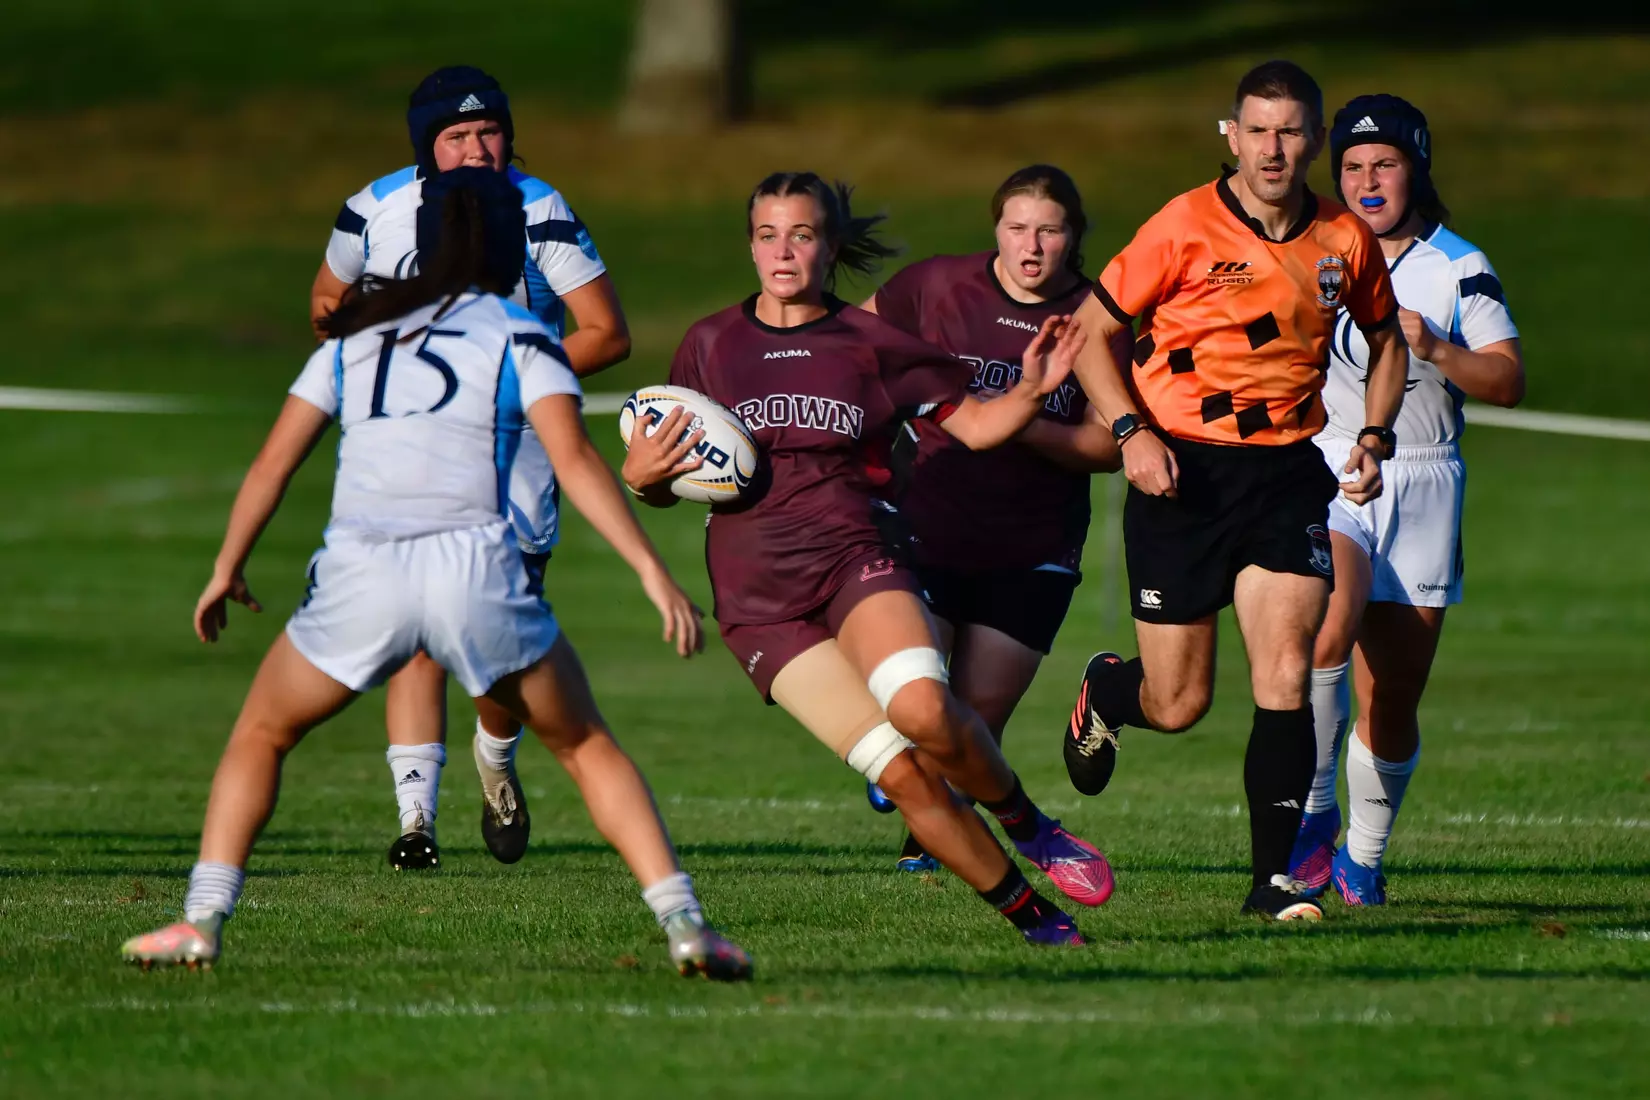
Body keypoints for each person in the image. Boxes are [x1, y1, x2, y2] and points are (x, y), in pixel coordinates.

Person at [121, 168, 751, 980]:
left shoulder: (357, 336)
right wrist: (650, 571)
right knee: (585, 743)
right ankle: (687, 927)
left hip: (362, 569)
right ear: (509, 245)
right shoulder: (523, 335)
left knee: (263, 732)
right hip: (474, 571)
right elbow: (576, 458)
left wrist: (225, 567)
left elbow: (275, 461)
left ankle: (202, 918)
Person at [622, 171, 1115, 946]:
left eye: (803, 235)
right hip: (759, 604)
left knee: (922, 707)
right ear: (750, 245)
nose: (784, 252)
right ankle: (1037, 923)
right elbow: (673, 480)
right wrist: (642, 481)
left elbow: (979, 428)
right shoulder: (709, 344)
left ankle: (1029, 823)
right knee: (903, 774)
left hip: (857, 559)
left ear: (831, 246)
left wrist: (1030, 391)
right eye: (767, 235)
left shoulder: (873, 342)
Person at [1058, 61, 1410, 920]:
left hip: (1287, 475)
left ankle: (1273, 882)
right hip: (1181, 472)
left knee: (1288, 669)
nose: (1274, 148)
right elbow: (1088, 337)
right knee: (1179, 704)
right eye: (1257, 130)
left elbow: (1388, 340)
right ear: (1232, 136)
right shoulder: (1181, 226)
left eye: (1291, 131)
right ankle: (1109, 691)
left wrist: (1372, 433)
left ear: (1315, 140)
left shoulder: (1342, 240)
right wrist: (1131, 433)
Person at [311, 65, 633, 871]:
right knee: (415, 633)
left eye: (489, 131)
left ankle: (495, 757)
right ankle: (415, 823)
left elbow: (604, 332)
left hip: (513, 456)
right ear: (428, 146)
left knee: (490, 646)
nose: (476, 148)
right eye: (456, 136)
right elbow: (326, 304)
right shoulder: (374, 208)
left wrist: (509, 377)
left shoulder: (538, 207)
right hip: (411, 455)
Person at [1288, 95, 1524, 906]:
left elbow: (1508, 380)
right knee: (1326, 628)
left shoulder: (1458, 264)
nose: (1366, 180)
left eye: (1383, 163)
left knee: (1390, 696)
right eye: (1351, 167)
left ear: (1415, 166)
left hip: (1424, 479)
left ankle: (1363, 859)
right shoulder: (1310, 246)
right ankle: (1313, 822)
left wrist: (1436, 345)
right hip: (1329, 465)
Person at [859, 165, 1124, 872]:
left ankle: (930, 841)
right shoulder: (936, 287)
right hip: (927, 527)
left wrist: (1011, 418)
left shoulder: (1097, 316)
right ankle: (908, 773)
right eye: (1016, 228)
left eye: (1049, 230)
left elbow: (1107, 445)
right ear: (995, 230)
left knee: (976, 719)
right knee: (908, 694)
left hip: (1033, 547)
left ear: (1074, 237)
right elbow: (852, 350)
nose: (1031, 245)